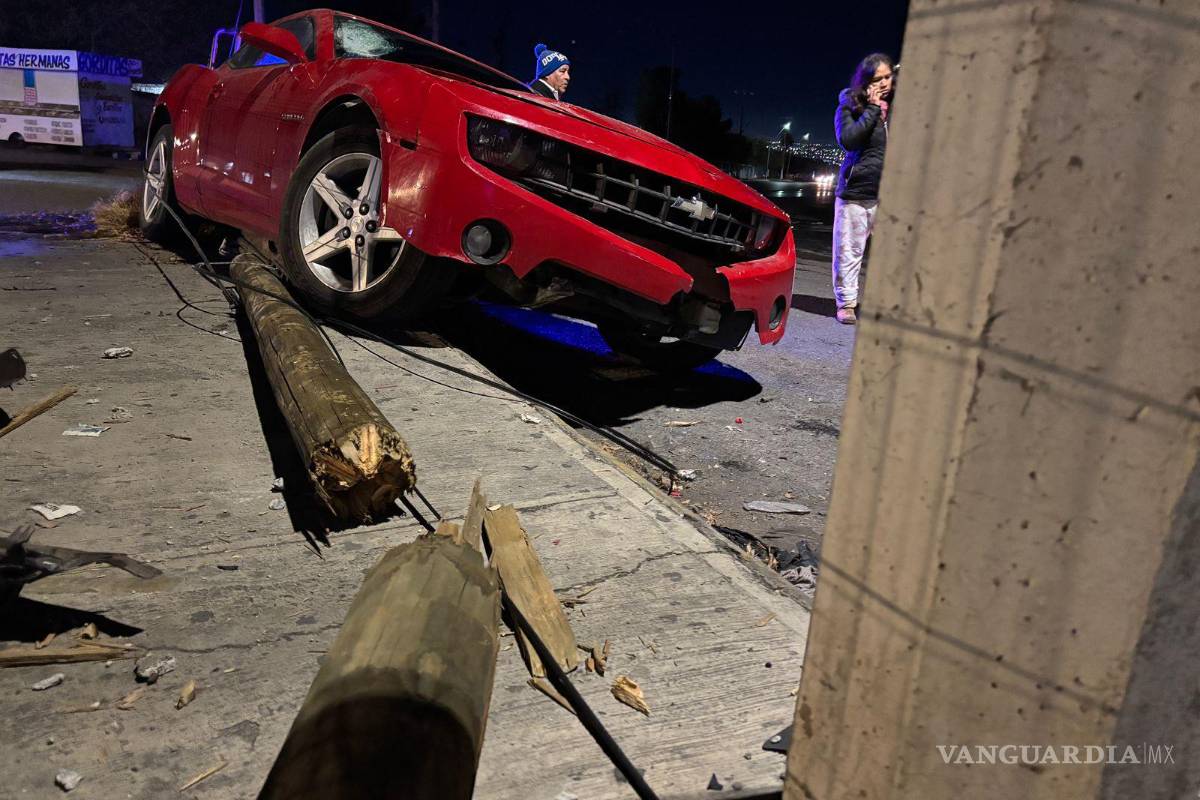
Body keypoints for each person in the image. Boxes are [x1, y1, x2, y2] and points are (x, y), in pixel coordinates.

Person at [831, 53, 895, 325]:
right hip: (857, 193)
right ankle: (846, 304)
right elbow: (849, 140)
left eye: (887, 77)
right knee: (849, 252)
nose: (884, 83)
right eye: (877, 78)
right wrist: (871, 108)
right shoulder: (849, 106)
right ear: (865, 81)